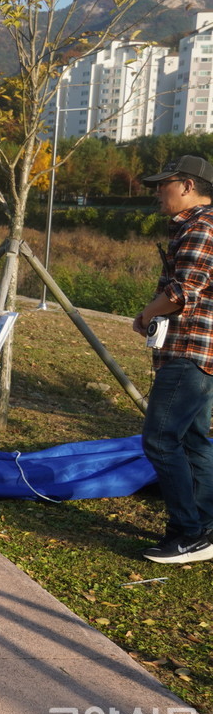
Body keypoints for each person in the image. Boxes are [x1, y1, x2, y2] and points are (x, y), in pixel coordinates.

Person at [133, 154, 213, 564]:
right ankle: (204, 527)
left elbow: (184, 291)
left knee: (160, 438)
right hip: (197, 353)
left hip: (189, 352)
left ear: (187, 185)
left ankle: (187, 532)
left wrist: (148, 312)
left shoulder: (201, 227)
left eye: (163, 184)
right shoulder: (194, 226)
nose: (157, 192)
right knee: (194, 439)